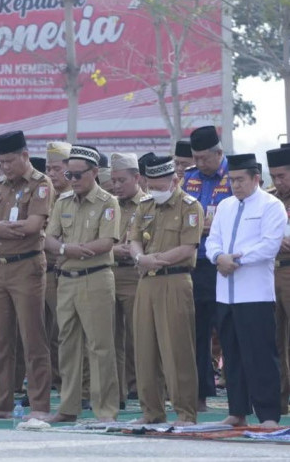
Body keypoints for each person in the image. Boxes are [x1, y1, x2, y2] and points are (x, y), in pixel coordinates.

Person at [0, 130, 54, 421]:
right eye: (2, 162)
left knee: (33, 338)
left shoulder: (40, 185)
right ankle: (1, 404)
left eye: (10, 161)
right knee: (0, 339)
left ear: (24, 156)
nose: (6, 166)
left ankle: (40, 405)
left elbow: (32, 226)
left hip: (26, 266)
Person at [205, 153, 286, 427]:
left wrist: (234, 259)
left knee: (260, 355)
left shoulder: (271, 206)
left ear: (256, 179)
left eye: (240, 180)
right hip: (225, 294)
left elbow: (269, 245)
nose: (235, 185)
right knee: (233, 354)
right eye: (232, 180)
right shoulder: (225, 206)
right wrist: (218, 257)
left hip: (255, 295)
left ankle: (268, 415)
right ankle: (237, 411)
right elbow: (212, 241)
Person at [44, 145, 120, 423]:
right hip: (66, 280)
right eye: (69, 174)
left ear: (94, 172)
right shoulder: (62, 202)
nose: (73, 180)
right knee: (67, 345)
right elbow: (49, 239)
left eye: (78, 175)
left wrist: (70, 248)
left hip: (95, 278)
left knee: (100, 346)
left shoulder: (107, 202)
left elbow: (106, 242)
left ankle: (105, 410)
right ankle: (68, 407)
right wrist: (67, 250)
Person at [129, 156, 203, 426]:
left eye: (160, 186)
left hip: (175, 279)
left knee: (176, 349)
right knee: (145, 348)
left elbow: (187, 248)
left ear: (174, 181)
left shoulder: (190, 206)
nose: (155, 192)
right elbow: (134, 239)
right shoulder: (145, 204)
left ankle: (185, 413)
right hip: (147, 281)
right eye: (151, 186)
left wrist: (156, 259)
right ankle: (152, 411)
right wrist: (140, 259)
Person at [182, 125, 232, 412]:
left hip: (225, 266)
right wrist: (204, 227)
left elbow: (224, 223)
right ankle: (200, 395)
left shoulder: (235, 176)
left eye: (204, 158)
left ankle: (237, 393)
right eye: (195, 158)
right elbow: (185, 220)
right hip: (197, 266)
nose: (199, 164)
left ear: (219, 153)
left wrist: (201, 227)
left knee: (228, 330)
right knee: (197, 332)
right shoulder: (189, 180)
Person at [110, 153, 146, 407]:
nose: (116, 185)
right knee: (111, 338)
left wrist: (133, 251)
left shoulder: (149, 204)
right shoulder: (108, 204)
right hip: (109, 273)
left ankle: (146, 390)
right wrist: (113, 251)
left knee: (140, 336)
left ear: (137, 177)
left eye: (122, 180)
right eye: (113, 180)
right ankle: (116, 393)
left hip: (137, 276)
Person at [44, 141, 72, 391]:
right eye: (48, 169)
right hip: (43, 271)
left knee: (64, 330)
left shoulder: (76, 198)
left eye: (56, 169)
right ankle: (52, 378)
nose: (51, 174)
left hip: (66, 269)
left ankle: (69, 380)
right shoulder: (45, 196)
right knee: (47, 331)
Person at [267, 147, 290, 414]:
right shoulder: (269, 201)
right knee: (274, 339)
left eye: (282, 176)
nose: (278, 182)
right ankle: (279, 401)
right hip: (269, 273)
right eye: (274, 176)